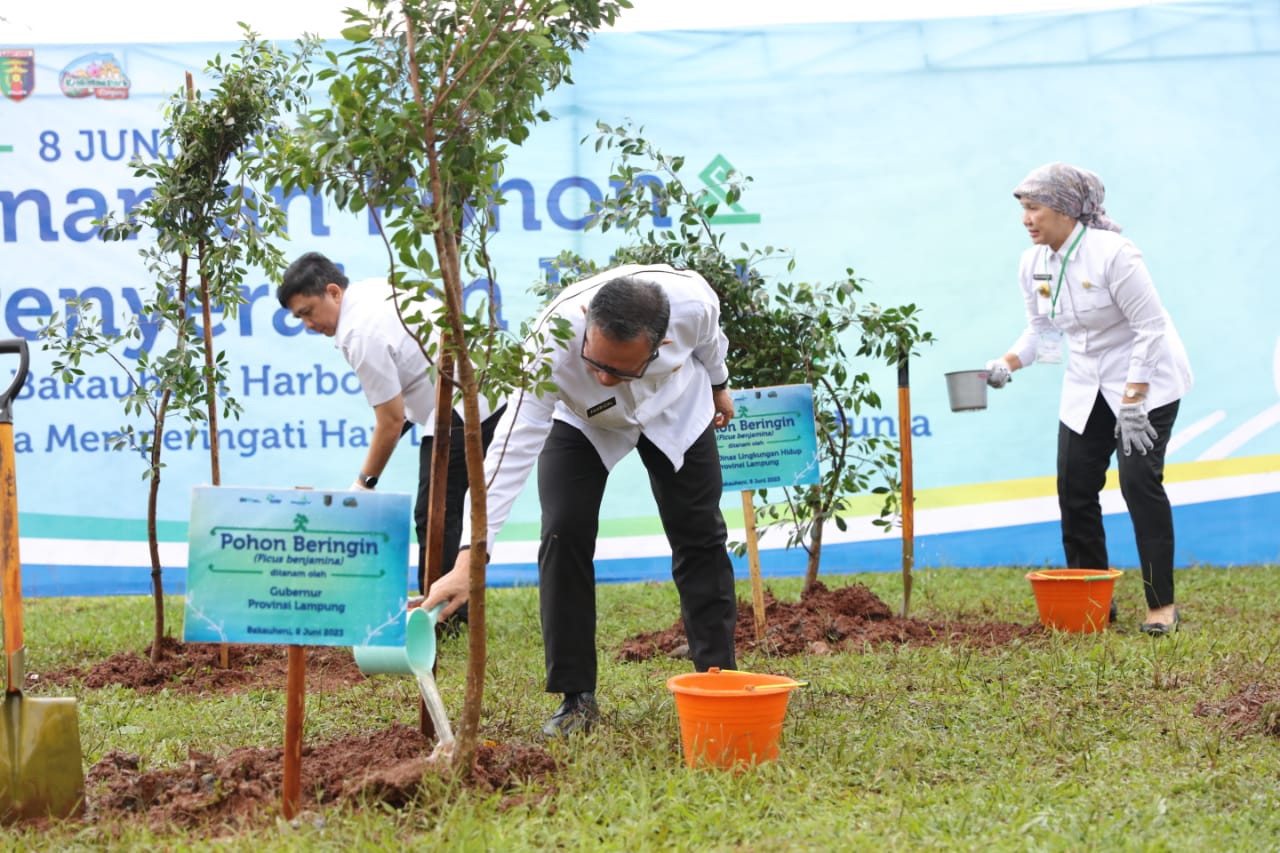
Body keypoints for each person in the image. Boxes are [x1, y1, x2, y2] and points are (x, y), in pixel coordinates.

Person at [424, 263, 739, 736]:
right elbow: (511, 446)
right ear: (587, 319)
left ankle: (718, 680)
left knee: (701, 536)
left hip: (675, 408)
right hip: (582, 420)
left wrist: (718, 386)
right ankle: (576, 699)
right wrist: (473, 553)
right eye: (596, 363)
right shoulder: (549, 342)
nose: (606, 377)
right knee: (563, 531)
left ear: (661, 342)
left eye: (621, 368)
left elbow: (712, 345)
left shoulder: (693, 302)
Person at [984, 163, 1192, 636]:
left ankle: (1162, 607)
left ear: (1064, 209)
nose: (1026, 219)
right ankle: (1093, 600)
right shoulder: (1032, 263)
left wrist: (1135, 401)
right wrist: (1006, 363)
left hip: (1147, 380)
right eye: (1022, 208)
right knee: (1075, 487)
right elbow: (1042, 331)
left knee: (1140, 484)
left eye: (1033, 207)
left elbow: (1151, 328)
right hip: (1086, 384)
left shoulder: (1114, 254)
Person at [277, 251, 506, 606]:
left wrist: (363, 484)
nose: (308, 324)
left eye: (308, 312)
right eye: (299, 318)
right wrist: (366, 479)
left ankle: (441, 615)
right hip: (477, 392)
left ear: (334, 292)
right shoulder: (370, 292)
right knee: (442, 510)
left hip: (466, 404)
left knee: (436, 514)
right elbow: (399, 409)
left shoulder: (358, 333)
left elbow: (391, 419)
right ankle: (445, 603)